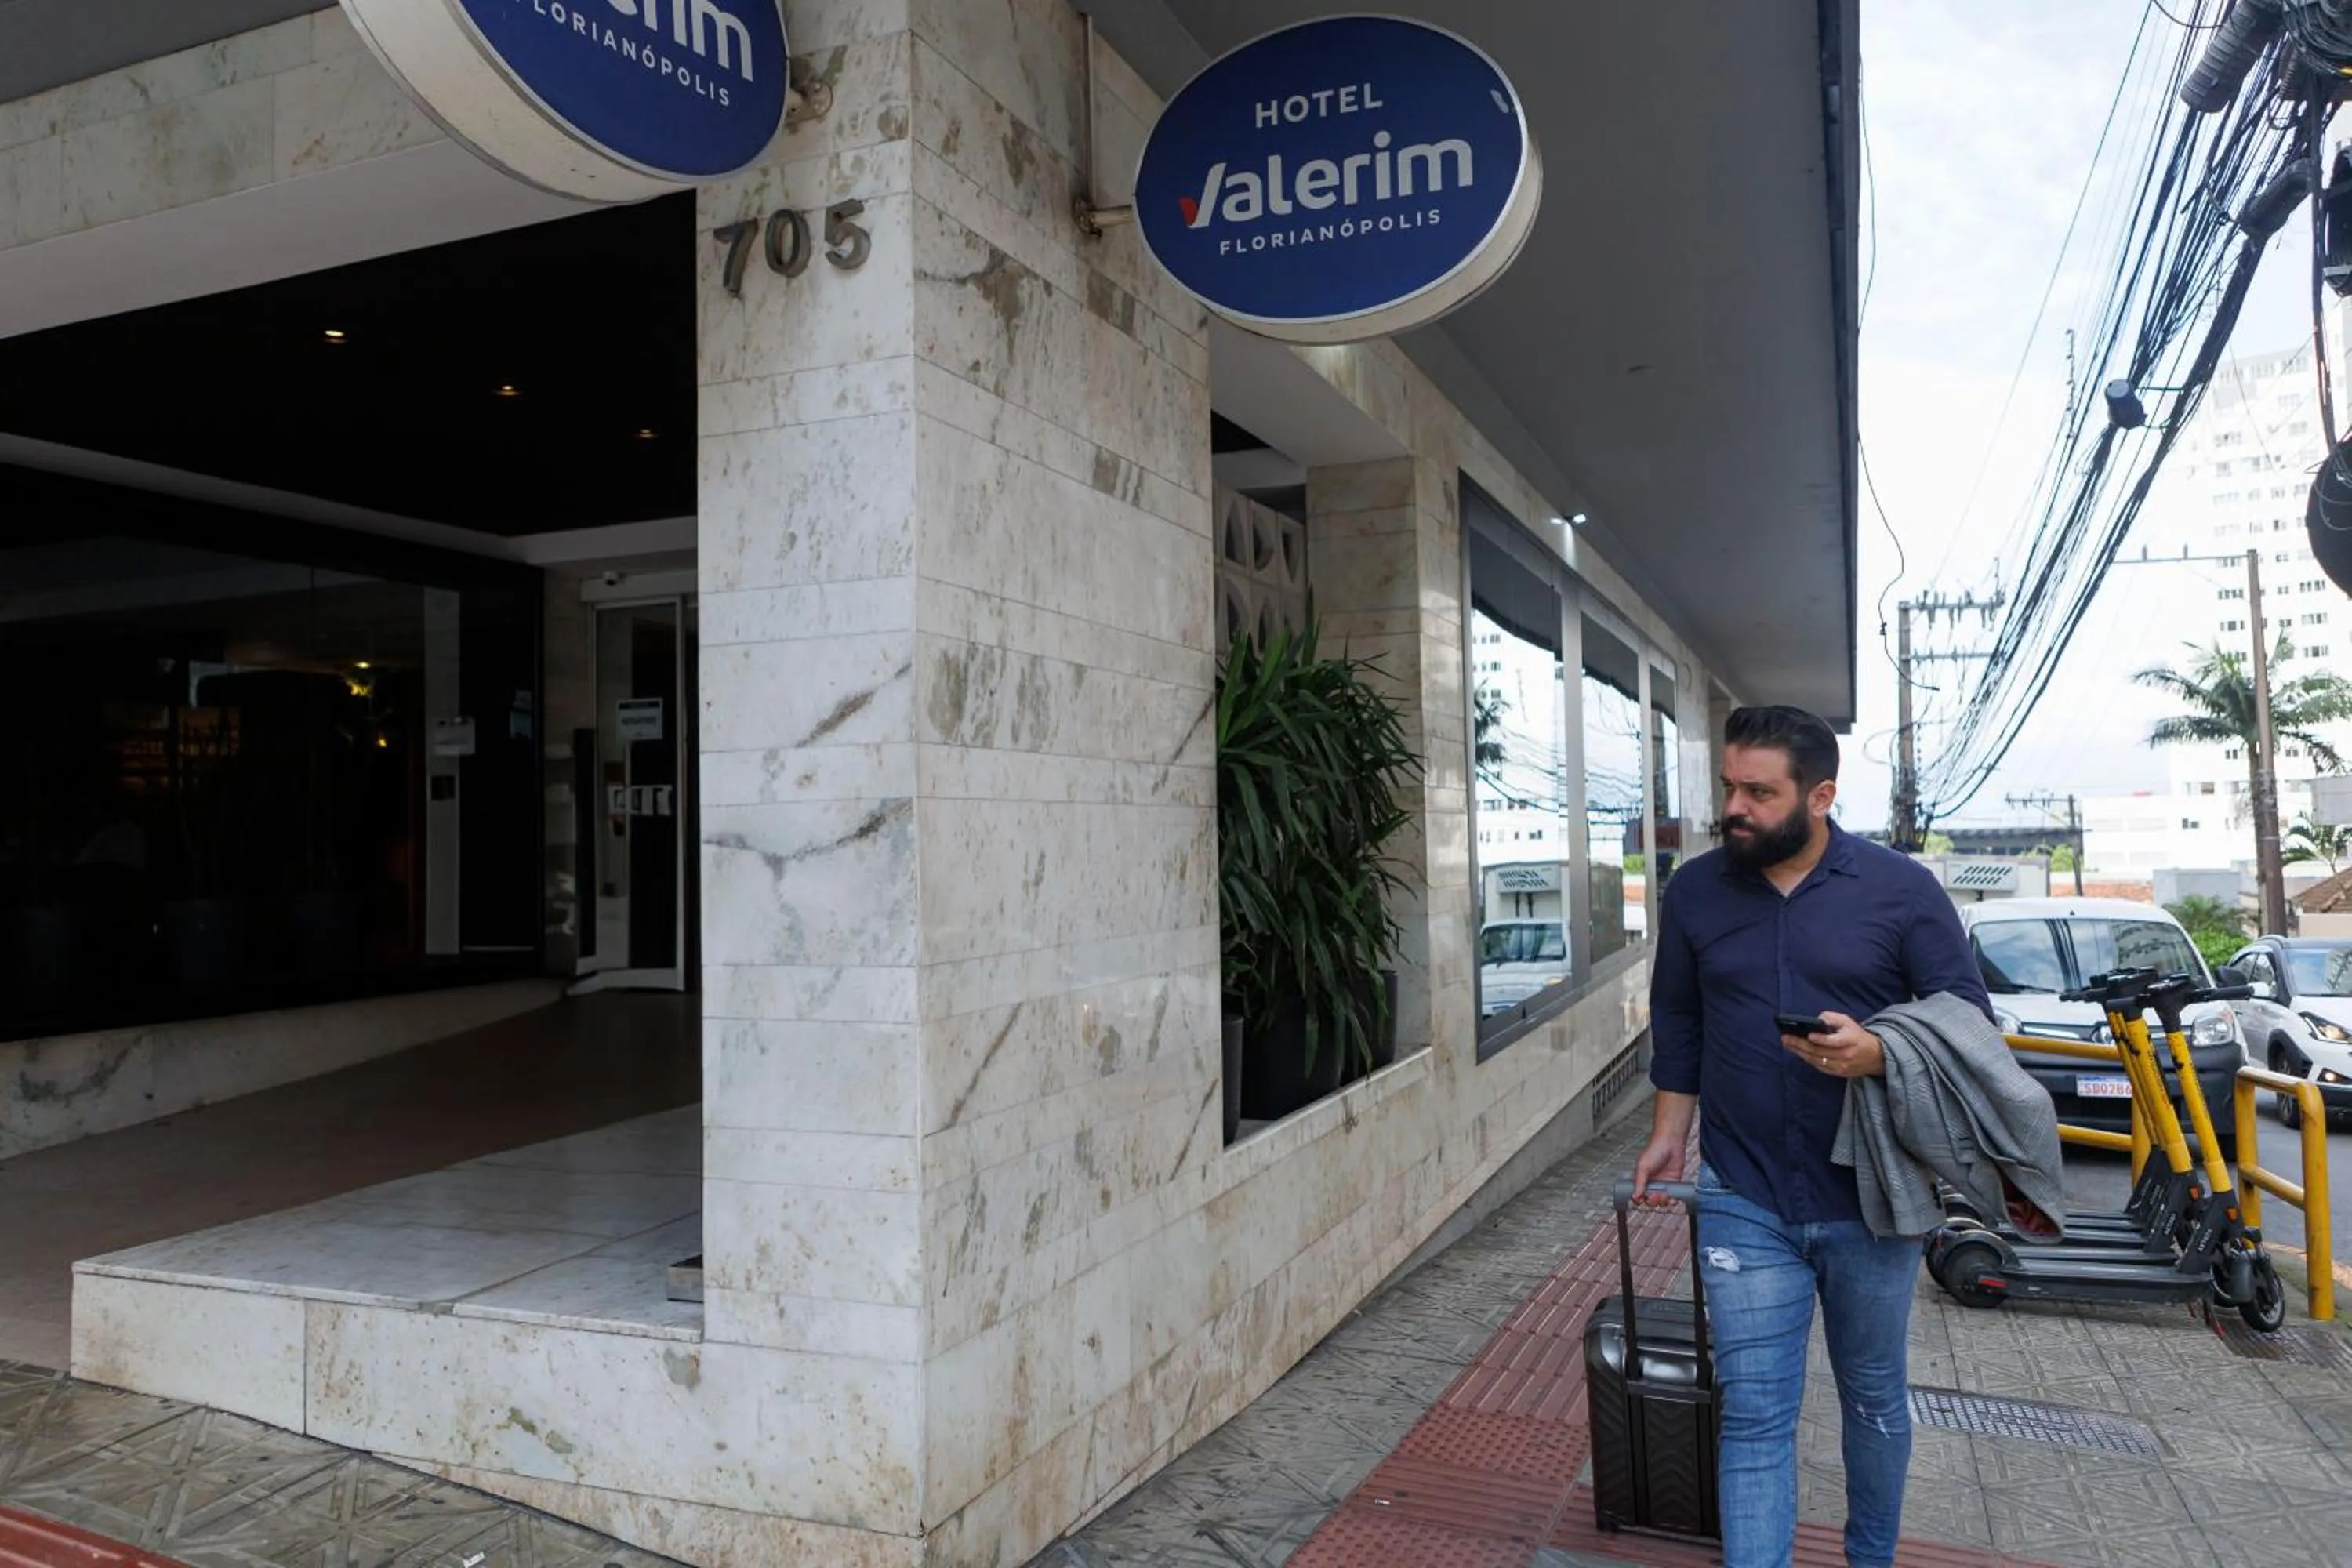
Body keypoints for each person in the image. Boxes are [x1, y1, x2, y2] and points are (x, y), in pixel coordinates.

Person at [1631, 705, 1991, 1568]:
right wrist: (1668, 1133)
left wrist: (1877, 1050)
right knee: (1754, 1410)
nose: (1736, 806)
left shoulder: (1901, 890)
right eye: (1730, 786)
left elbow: (1968, 1016)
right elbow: (1678, 1016)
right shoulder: (1696, 890)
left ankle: (1871, 1556)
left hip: (1871, 1194)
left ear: (1822, 794)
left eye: (1760, 790)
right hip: (1742, 1192)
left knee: (1872, 1398)